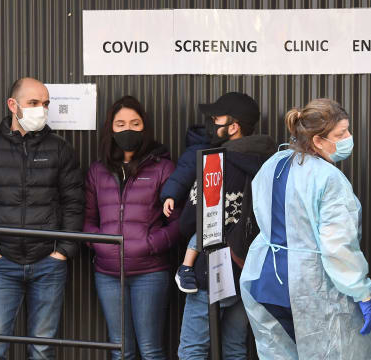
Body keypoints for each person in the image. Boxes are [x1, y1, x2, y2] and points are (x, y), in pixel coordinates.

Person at [240, 98, 371, 360]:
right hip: (306, 287)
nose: (348, 137)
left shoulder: (275, 163)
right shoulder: (328, 178)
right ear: (317, 140)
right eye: (341, 133)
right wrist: (361, 291)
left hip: (263, 281)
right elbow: (338, 245)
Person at [177, 92, 277, 360]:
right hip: (249, 268)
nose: (211, 123)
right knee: (235, 348)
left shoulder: (216, 163)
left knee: (193, 349)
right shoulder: (271, 163)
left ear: (233, 127)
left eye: (216, 118)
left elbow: (188, 220)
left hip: (212, 269)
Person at [83, 96, 181, 360]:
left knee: (150, 349)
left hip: (150, 273)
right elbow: (88, 221)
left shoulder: (163, 168)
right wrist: (102, 243)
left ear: (144, 128)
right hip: (108, 273)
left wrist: (149, 244)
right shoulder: (97, 171)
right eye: (121, 123)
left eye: (135, 123)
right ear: (110, 129)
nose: (128, 129)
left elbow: (178, 224)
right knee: (120, 349)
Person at [0, 77, 85, 359]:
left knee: (43, 349)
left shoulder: (60, 148)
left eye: (45, 104)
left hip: (48, 263)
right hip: (1, 264)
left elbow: (74, 202)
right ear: (13, 105)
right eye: (33, 103)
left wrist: (63, 252)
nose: (41, 110)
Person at [160, 124, 209, 293]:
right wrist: (170, 195)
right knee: (202, 230)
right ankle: (186, 267)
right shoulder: (200, 148)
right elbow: (183, 174)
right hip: (202, 204)